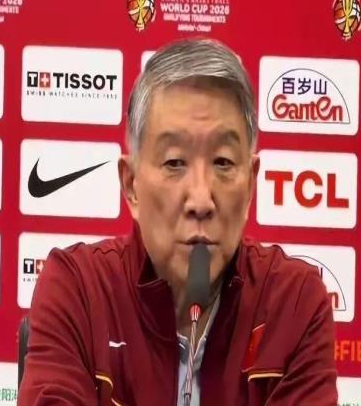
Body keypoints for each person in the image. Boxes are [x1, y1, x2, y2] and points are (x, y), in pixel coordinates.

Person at [18, 38, 337, 405]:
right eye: (174, 162)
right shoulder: (79, 290)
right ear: (131, 185)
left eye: (223, 162)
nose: (200, 200)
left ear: (251, 184)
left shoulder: (293, 301)